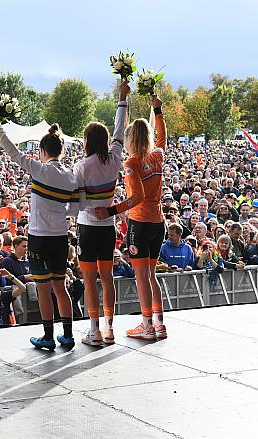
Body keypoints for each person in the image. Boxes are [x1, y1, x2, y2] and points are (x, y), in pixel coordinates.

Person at [0, 118, 80, 350]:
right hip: (60, 236)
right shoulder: (72, 177)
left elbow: (12, 151)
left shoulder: (39, 169)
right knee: (60, 287)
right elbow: (74, 210)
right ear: (61, 151)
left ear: (42, 151)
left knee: (44, 288)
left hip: (39, 237)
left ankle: (48, 336)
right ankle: (69, 335)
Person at [95, 94, 167, 340]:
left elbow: (136, 197)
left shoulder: (132, 163)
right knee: (152, 275)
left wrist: (111, 211)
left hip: (140, 222)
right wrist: (158, 112)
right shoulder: (157, 156)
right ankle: (159, 323)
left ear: (130, 139)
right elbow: (162, 139)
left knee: (141, 277)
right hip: (158, 222)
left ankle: (146, 325)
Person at [72, 80, 129, 345]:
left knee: (89, 277)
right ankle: (109, 329)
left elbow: (77, 199)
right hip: (108, 227)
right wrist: (122, 98)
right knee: (107, 278)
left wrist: (90, 207)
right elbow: (120, 129)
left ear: (87, 141)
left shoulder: (82, 165)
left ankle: (93, 330)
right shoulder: (115, 157)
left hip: (87, 227)